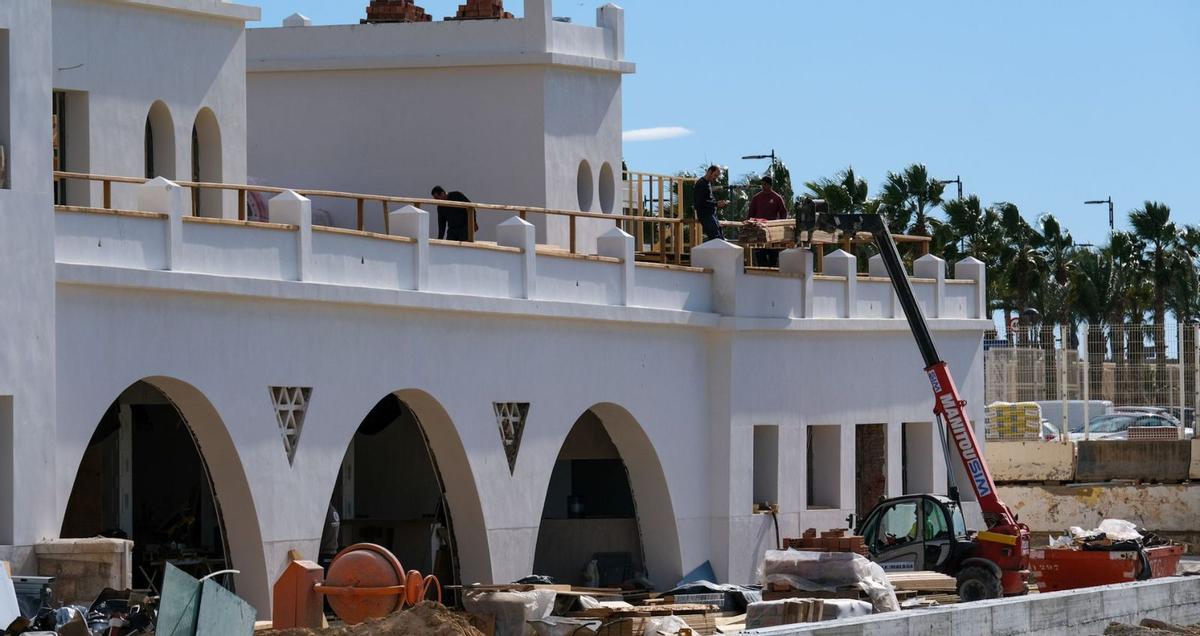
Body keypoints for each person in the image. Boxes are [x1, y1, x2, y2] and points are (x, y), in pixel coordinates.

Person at [693, 165, 728, 242]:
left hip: (711, 214)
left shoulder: (708, 183)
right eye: (715, 175)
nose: (715, 178)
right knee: (716, 238)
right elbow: (699, 203)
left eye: (717, 176)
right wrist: (716, 204)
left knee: (720, 236)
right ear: (709, 172)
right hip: (705, 215)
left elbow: (708, 199)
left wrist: (717, 203)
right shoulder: (701, 184)